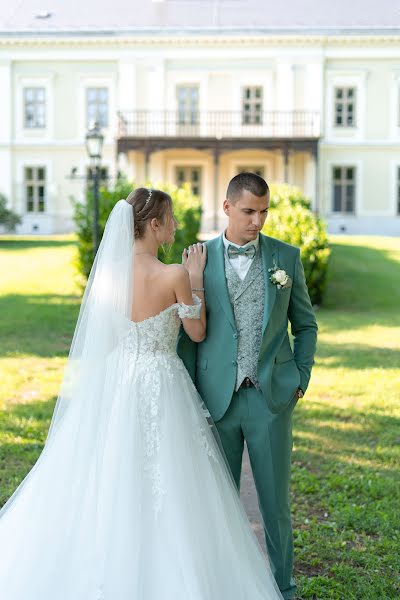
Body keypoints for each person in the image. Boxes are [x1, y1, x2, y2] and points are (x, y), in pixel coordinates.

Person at [0, 187, 283, 599]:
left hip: (114, 380)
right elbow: (197, 332)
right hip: (160, 380)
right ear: (153, 225)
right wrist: (198, 280)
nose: (173, 226)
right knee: (170, 475)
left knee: (107, 465)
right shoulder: (175, 275)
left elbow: (108, 333)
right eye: (169, 220)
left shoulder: (109, 276)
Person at [178, 172, 318, 600]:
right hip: (217, 400)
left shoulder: (286, 257)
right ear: (226, 208)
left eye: (263, 212)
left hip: (271, 398)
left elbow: (306, 325)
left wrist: (301, 377)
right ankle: (218, 585)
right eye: (248, 212)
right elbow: (187, 335)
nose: (257, 221)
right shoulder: (197, 257)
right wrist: (191, 395)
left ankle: (284, 587)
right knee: (216, 503)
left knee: (275, 507)